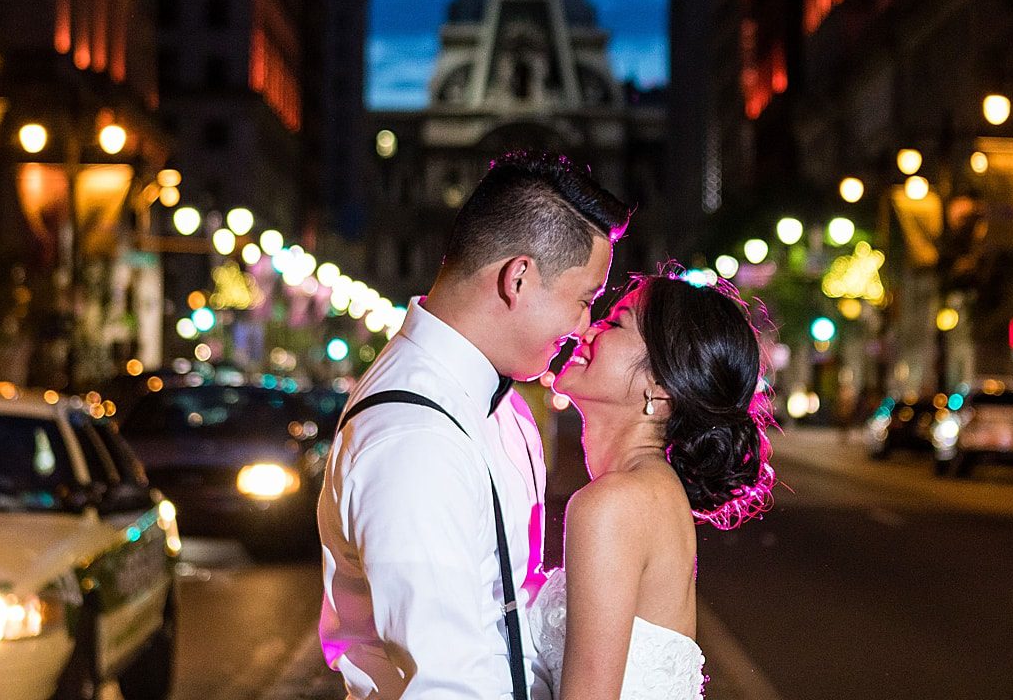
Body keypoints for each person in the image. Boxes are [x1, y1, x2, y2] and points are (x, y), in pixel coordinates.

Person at [319, 151, 629, 700]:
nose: (585, 327)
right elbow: (443, 685)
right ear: (519, 278)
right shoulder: (415, 438)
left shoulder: (492, 399)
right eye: (584, 300)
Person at [530, 274, 774, 700]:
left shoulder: (614, 502)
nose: (586, 329)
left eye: (614, 325)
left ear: (660, 390)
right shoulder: (652, 490)